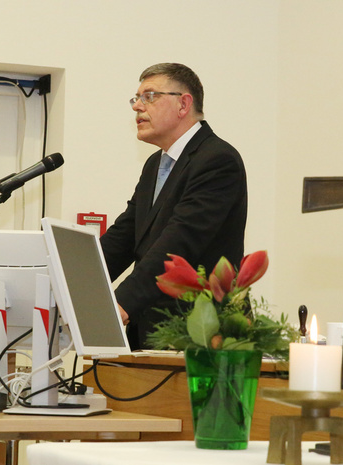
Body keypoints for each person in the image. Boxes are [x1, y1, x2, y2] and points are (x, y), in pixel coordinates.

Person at [100, 63, 247, 350]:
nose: (137, 107)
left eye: (150, 96)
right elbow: (125, 235)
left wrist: (119, 304)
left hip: (200, 332)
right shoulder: (156, 164)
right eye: (137, 98)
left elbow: (179, 243)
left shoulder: (217, 160)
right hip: (152, 329)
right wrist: (73, 282)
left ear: (183, 104)